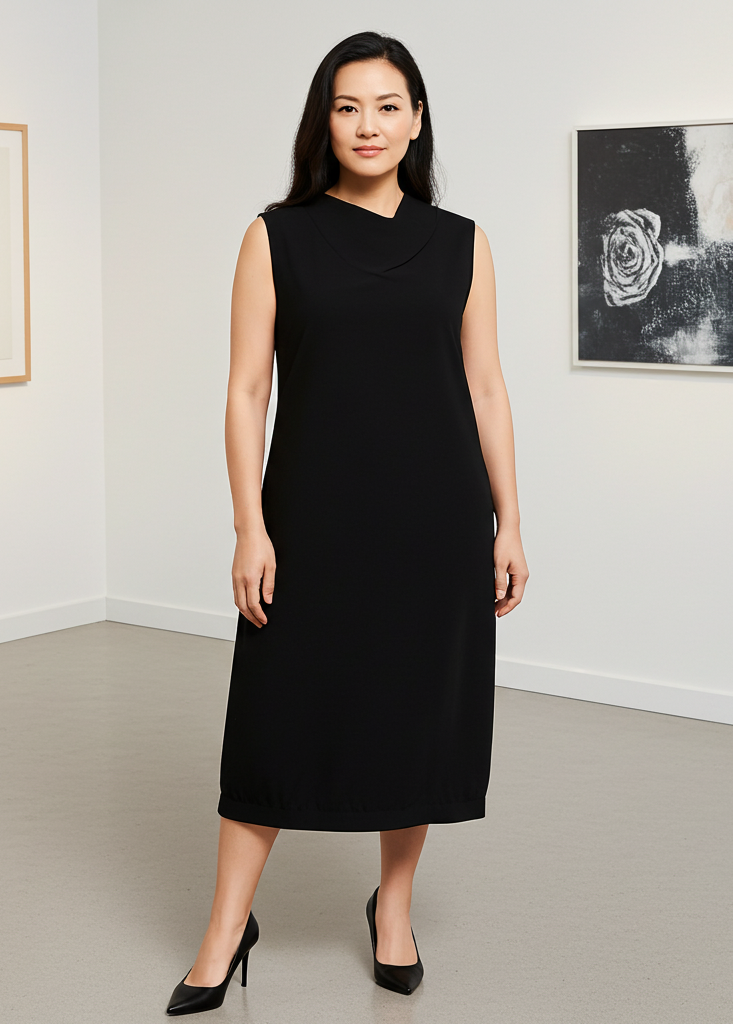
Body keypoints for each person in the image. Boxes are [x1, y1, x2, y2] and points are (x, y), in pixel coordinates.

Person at [166, 30, 528, 1016]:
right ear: (323, 121)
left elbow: (486, 389)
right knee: (272, 727)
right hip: (311, 522)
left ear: (416, 122)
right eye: (347, 106)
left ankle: (394, 911)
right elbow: (245, 393)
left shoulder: (462, 242)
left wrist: (508, 520)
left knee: (415, 724)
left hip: (435, 522)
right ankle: (224, 928)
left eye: (387, 105)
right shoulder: (274, 236)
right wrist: (249, 525)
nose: (367, 125)